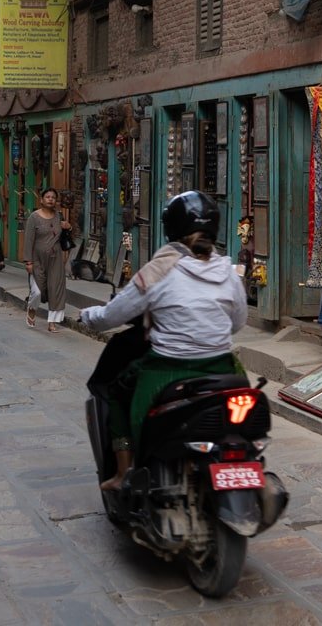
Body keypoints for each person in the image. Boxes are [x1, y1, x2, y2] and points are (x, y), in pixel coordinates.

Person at [78, 191, 248, 492]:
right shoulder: (228, 272)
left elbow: (112, 316)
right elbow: (237, 324)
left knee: (117, 392)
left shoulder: (158, 271)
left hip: (166, 370)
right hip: (223, 369)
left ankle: (123, 471)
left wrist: (88, 314)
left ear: (171, 229)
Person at [22, 187, 72, 332]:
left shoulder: (59, 216)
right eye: (47, 197)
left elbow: (67, 235)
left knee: (56, 290)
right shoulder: (34, 217)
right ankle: (32, 308)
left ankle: (52, 323)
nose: (50, 199)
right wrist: (28, 262)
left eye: (53, 197)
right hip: (37, 259)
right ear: (42, 200)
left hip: (55, 259)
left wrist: (68, 227)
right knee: (37, 291)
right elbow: (28, 240)